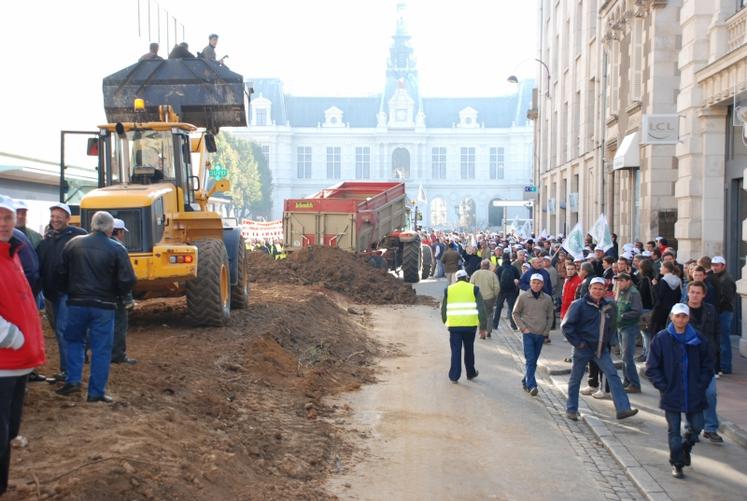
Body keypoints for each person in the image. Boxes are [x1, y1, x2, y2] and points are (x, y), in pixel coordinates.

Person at [55, 211, 136, 403]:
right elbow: (128, 280)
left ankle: (72, 381)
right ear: (110, 228)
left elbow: (60, 273)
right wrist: (116, 293)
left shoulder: (73, 244)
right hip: (104, 306)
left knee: (74, 341)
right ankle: (96, 392)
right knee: (101, 348)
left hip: (76, 303)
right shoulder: (117, 249)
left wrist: (70, 291)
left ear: (92, 225)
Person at [0, 194, 45, 494]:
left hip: (19, 363)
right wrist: (11, 336)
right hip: (4, 361)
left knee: (8, 433)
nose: (3, 223)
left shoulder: (13, 252)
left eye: (7, 217)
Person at [645, 303, 713, 479]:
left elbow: (707, 364)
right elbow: (652, 367)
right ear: (671, 317)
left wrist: (702, 384)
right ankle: (677, 463)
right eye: (677, 316)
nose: (680, 319)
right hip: (672, 392)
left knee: (697, 426)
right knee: (673, 430)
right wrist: (663, 385)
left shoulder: (698, 338)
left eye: (684, 316)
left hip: (694, 392)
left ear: (688, 318)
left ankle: (686, 447)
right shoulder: (662, 338)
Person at [562, 277, 639, 421]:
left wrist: (607, 342)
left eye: (600, 289)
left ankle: (623, 408)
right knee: (576, 378)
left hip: (600, 349)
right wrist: (578, 343)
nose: (597, 291)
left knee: (613, 375)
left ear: (604, 291)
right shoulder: (578, 305)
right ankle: (571, 409)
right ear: (589, 289)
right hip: (583, 348)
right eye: (594, 288)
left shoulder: (608, 306)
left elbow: (612, 325)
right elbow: (567, 327)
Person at [37, 203, 87, 381]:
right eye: (52, 217)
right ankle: (65, 368)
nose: (55, 220)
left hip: (68, 292)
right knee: (59, 332)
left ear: (68, 218)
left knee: (65, 330)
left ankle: (71, 373)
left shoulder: (78, 236)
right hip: (51, 293)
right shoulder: (48, 239)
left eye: (59, 216)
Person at [686, 281, 722, 443]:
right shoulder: (681, 311)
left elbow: (716, 333)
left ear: (703, 295)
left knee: (710, 393)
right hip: (687, 360)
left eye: (698, 293)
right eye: (692, 292)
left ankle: (710, 428)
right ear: (688, 293)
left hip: (707, 360)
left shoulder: (710, 310)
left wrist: (716, 355)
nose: (694, 295)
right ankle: (691, 427)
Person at [441, 270, 487, 383]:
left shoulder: (449, 290)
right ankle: (470, 373)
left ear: (456, 279)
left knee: (455, 351)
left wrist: (445, 321)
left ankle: (454, 376)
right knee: (469, 349)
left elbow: (443, 309)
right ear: (467, 278)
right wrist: (483, 327)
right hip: (470, 326)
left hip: (454, 327)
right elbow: (482, 309)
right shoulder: (474, 289)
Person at [512, 273, 554, 396]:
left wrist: (546, 331)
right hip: (528, 333)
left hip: (540, 334)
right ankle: (532, 385)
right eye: (534, 282)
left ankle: (525, 380)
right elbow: (515, 313)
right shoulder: (524, 297)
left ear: (542, 284)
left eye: (538, 283)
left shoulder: (547, 298)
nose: (536, 285)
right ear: (530, 283)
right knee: (530, 359)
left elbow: (550, 316)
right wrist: (523, 328)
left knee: (534, 360)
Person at [111, 219, 137, 365]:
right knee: (119, 324)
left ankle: (85, 352)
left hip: (100, 294)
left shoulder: (99, 245)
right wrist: (128, 299)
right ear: (119, 232)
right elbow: (125, 277)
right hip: (118, 295)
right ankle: (118, 355)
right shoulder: (119, 248)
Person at [615, 273, 642, 393]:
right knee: (623, 355)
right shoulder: (621, 291)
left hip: (629, 327)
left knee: (627, 356)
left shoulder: (634, 293)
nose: (619, 283)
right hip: (621, 327)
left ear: (628, 281)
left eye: (621, 281)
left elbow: (637, 311)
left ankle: (635, 383)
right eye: (618, 281)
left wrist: (622, 315)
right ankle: (627, 381)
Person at [708, 256, 735, 374]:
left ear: (723, 266)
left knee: (724, 339)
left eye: (717, 265)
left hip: (724, 311)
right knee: (721, 339)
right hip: (720, 310)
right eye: (713, 264)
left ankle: (726, 366)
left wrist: (716, 307)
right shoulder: (716, 277)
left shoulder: (726, 279)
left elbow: (726, 298)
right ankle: (723, 365)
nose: (714, 267)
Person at [470, 260, 500, 339]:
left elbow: (471, 285)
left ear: (481, 265)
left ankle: (482, 332)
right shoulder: (492, 274)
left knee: (480, 315)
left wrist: (473, 295)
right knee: (489, 314)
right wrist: (494, 295)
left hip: (478, 297)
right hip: (489, 298)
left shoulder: (476, 273)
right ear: (488, 266)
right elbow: (497, 287)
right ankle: (489, 331)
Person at [494, 251, 520, 330]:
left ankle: (495, 324)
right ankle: (513, 325)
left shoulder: (499, 268)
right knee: (511, 308)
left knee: (498, 308)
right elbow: (517, 278)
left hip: (501, 290)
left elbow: (496, 279)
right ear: (509, 259)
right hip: (511, 290)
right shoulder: (513, 268)